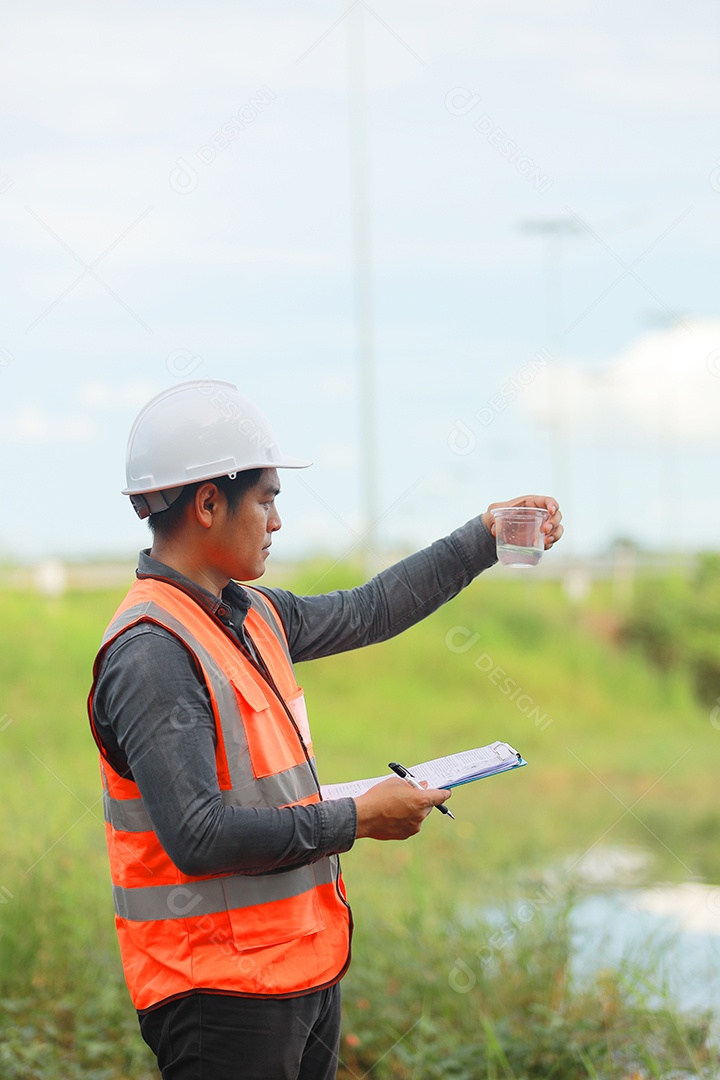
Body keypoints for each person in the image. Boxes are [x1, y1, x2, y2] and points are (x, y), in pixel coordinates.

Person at [88, 379, 563, 1080]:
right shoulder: (153, 651)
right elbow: (198, 836)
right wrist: (357, 819)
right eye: (268, 498)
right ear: (209, 503)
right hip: (219, 995)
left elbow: (372, 609)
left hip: (298, 976)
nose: (277, 521)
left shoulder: (250, 615)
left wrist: (485, 538)